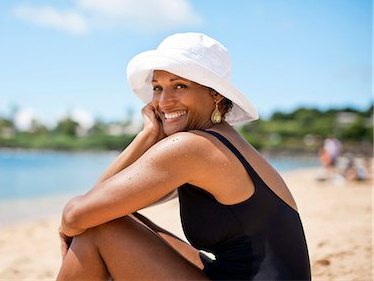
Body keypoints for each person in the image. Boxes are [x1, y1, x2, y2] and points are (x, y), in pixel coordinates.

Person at [56, 33, 311, 280]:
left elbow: (76, 215)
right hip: (232, 273)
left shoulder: (192, 148)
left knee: (98, 229)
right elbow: (102, 202)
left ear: (215, 93)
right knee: (107, 216)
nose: (164, 102)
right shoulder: (221, 139)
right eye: (157, 88)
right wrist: (147, 135)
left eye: (179, 86)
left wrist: (71, 226)